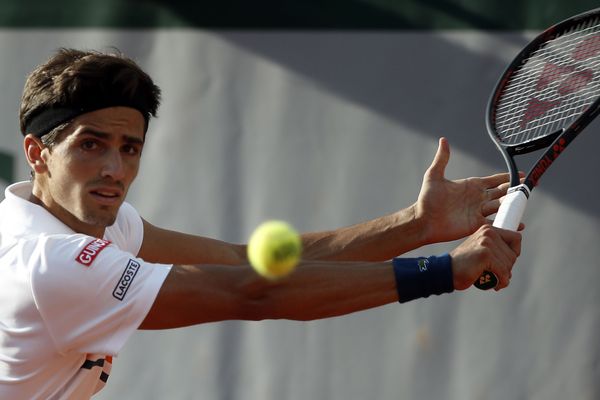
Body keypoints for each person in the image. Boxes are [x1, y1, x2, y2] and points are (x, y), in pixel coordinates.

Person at [0, 48, 521, 399]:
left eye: (129, 148)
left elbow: (237, 262)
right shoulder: (53, 263)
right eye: (90, 145)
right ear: (38, 153)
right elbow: (254, 291)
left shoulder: (87, 224)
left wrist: (415, 225)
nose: (115, 169)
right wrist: (442, 271)